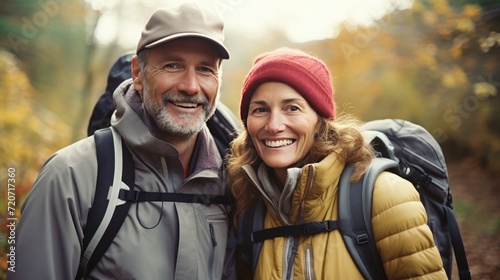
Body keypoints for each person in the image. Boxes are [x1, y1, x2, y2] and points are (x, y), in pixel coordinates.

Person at [8, 3, 236, 279]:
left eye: (205, 70)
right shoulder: (71, 176)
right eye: (172, 65)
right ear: (138, 74)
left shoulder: (233, 183)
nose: (190, 86)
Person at [226, 47, 447, 279]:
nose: (273, 125)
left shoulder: (383, 195)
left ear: (320, 122)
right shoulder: (248, 205)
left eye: (292, 108)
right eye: (260, 109)